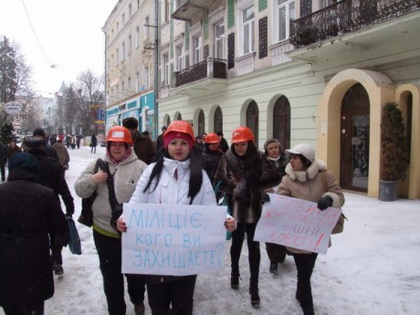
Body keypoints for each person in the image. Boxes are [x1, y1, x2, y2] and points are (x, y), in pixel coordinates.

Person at [117, 120, 235, 315]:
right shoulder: (151, 171)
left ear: (190, 146)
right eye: (173, 143)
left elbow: (210, 208)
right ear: (166, 145)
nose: (178, 148)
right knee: (158, 306)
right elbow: (137, 201)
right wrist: (124, 219)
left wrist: (225, 219)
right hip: (156, 255)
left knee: (183, 306)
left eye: (183, 143)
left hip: (187, 256)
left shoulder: (200, 175)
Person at [74, 126, 148, 315]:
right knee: (111, 277)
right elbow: (79, 189)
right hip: (104, 232)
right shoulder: (98, 164)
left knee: (136, 274)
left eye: (120, 144)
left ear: (127, 146)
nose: (116, 148)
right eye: (112, 144)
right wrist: (93, 179)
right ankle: (116, 311)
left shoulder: (140, 167)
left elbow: (151, 196)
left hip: (133, 234)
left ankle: (138, 299)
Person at [276, 143, 344, 315]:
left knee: (308, 270)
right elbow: (281, 199)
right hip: (297, 234)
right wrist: (270, 202)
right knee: (303, 272)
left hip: (316, 234)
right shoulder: (287, 179)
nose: (291, 161)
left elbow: (339, 195)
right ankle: (308, 306)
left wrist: (330, 198)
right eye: (290, 157)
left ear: (306, 160)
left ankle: (300, 293)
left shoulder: (325, 176)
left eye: (295, 158)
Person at [0, 152, 68, 315]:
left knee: (10, 302)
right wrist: (56, 247)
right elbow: (59, 227)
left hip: (4, 256)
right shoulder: (44, 193)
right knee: (34, 302)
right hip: (35, 255)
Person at [214, 126, 264, 307]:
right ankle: (235, 272)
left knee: (254, 248)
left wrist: (261, 189)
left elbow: (270, 177)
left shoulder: (259, 157)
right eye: (237, 144)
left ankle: (254, 287)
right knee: (236, 245)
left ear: (249, 143)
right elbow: (219, 181)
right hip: (236, 209)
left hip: (255, 210)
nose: (240, 148)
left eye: (243, 144)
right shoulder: (227, 157)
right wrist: (235, 186)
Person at [24, 137, 75, 276]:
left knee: (35, 236)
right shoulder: (53, 165)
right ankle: (56, 261)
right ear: (42, 147)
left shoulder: (23, 166)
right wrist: (69, 206)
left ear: (27, 148)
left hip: (30, 209)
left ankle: (37, 262)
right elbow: (63, 188)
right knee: (55, 235)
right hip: (52, 206)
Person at [260, 139, 288, 275]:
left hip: (286, 201)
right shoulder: (261, 164)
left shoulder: (288, 162)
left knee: (283, 229)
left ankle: (283, 252)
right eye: (271, 148)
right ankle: (273, 260)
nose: (274, 150)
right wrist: (262, 191)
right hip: (269, 203)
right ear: (267, 151)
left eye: (276, 147)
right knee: (270, 232)